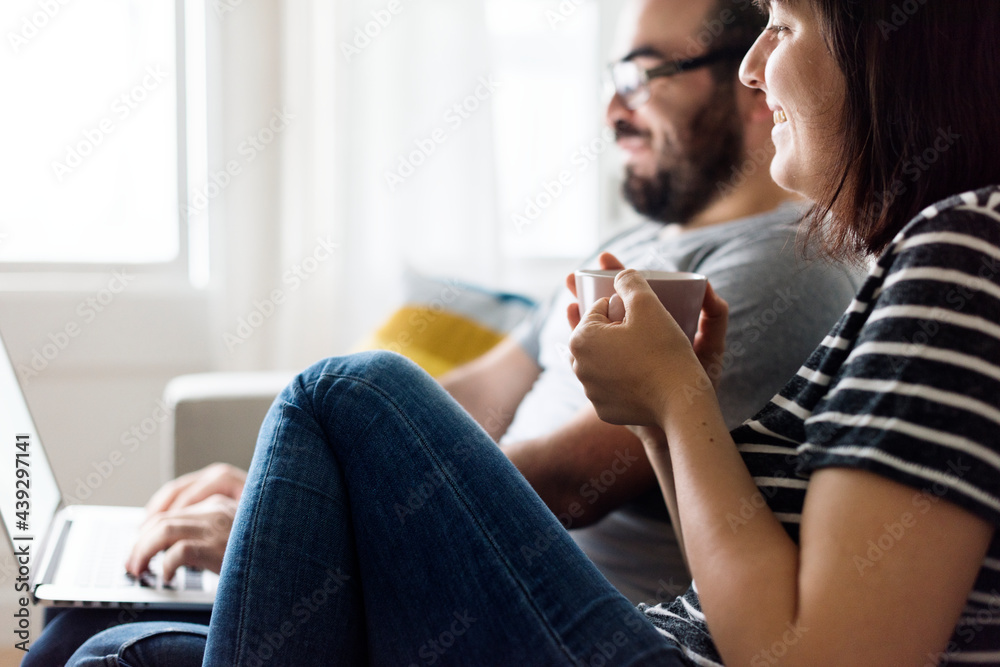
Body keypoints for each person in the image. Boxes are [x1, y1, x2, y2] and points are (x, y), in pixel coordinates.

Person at [63, 0, 1000, 664]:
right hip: (664, 633)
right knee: (104, 646)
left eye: (785, 26)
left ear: (892, 53)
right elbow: (772, 584)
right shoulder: (919, 258)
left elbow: (817, 655)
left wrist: (677, 400)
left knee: (344, 394)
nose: (761, 67)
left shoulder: (961, 250)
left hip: (651, 638)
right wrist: (662, 409)